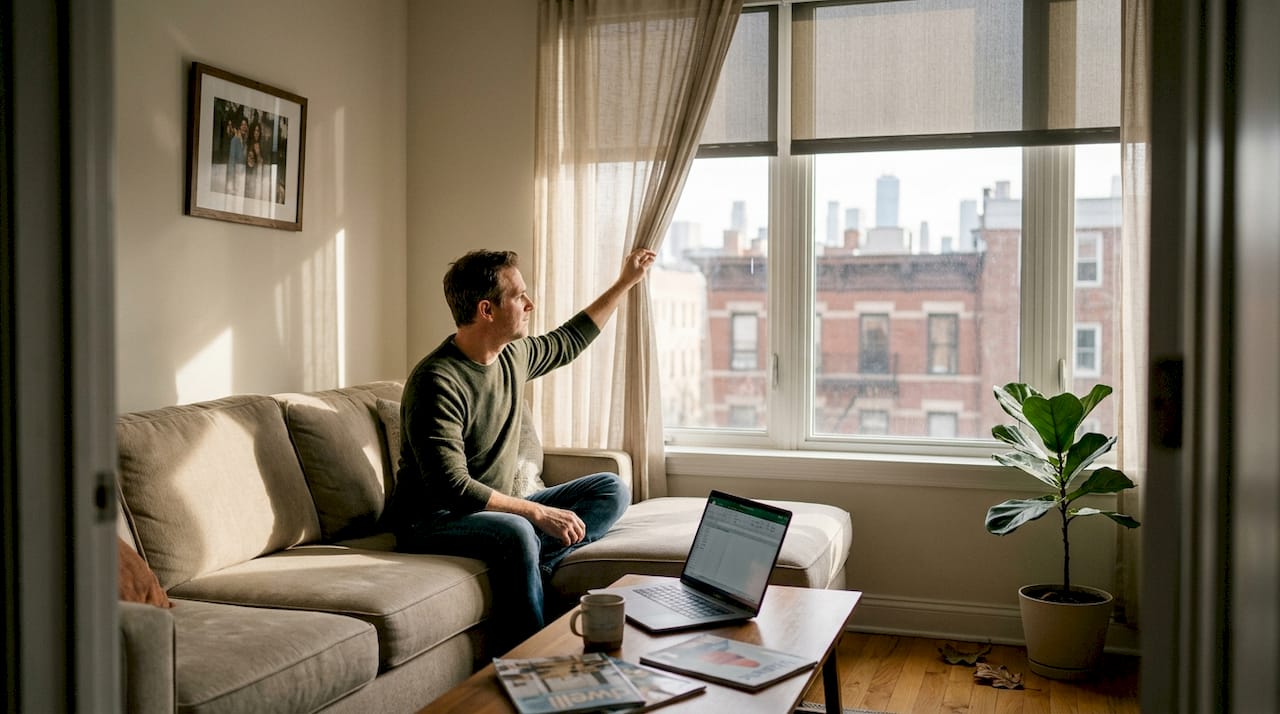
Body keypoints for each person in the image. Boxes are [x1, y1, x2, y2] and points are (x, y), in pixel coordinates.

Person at [390, 247, 656, 651]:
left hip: (491, 510)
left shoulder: (512, 355)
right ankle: (531, 656)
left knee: (610, 488)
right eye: (519, 296)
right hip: (433, 519)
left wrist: (625, 282)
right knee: (517, 529)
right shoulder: (437, 380)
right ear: (487, 310)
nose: (530, 304)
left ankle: (534, 564)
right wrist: (533, 510)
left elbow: (569, 340)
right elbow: (451, 487)